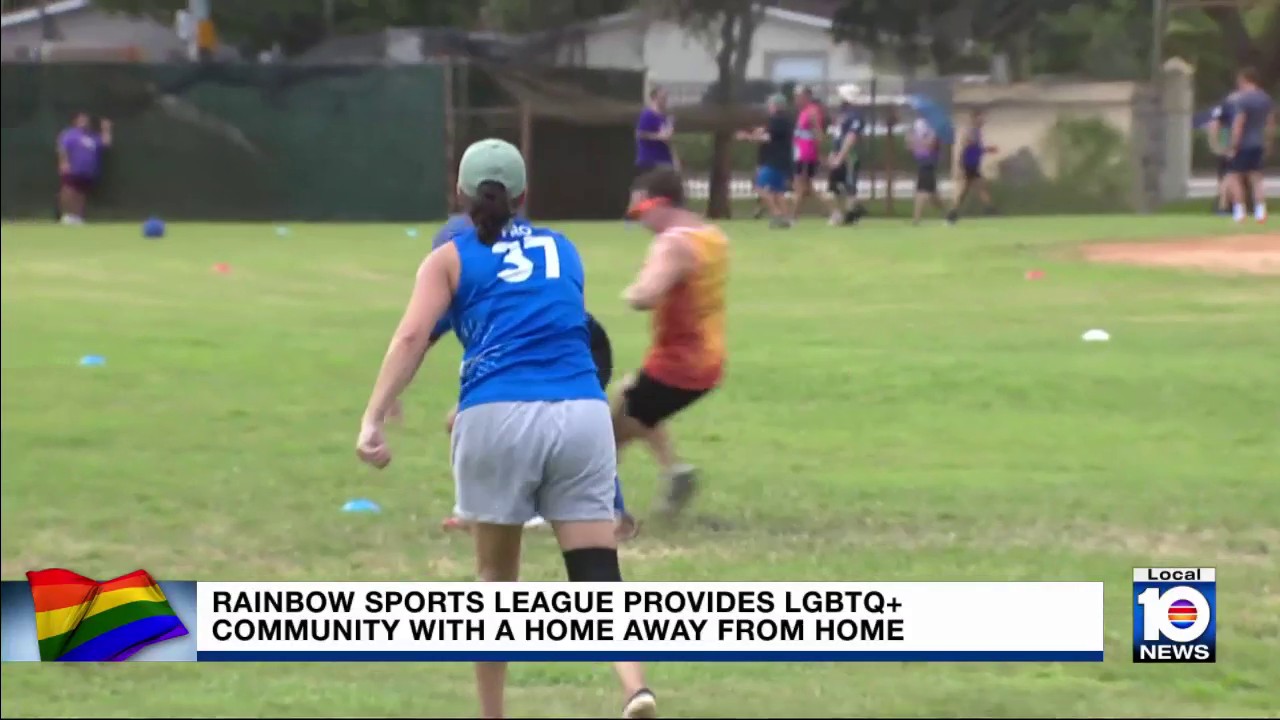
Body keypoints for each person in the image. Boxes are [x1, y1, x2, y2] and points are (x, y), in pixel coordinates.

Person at [356, 138, 656, 720]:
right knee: (597, 569)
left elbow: (412, 336)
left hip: (496, 414)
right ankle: (633, 688)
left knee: (495, 583)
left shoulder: (448, 257)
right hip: (581, 411)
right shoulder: (564, 250)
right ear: (524, 195)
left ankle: (493, 714)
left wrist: (375, 414)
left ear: (460, 192)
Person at [424, 215, 639, 541]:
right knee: (462, 422)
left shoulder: (490, 280)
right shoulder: (467, 288)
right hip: (543, 359)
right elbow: (423, 336)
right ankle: (479, 512)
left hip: (579, 352)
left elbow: (416, 336)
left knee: (579, 431)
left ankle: (614, 512)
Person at [615, 167, 729, 519]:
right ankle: (674, 469)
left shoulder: (672, 244)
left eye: (640, 211)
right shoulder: (712, 236)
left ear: (660, 204)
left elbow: (646, 296)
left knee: (605, 434)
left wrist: (632, 292)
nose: (639, 221)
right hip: (708, 360)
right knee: (627, 393)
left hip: (677, 366)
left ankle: (594, 510)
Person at [1223, 66, 1273, 223]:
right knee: (1256, 178)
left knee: (1234, 176)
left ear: (1245, 80)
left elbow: (1239, 123)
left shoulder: (1242, 99)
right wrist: (1268, 141)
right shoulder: (1265, 99)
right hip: (1258, 143)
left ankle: (1239, 211)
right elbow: (1270, 123)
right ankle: (1260, 211)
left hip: (1243, 144)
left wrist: (1233, 145)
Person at [735, 93, 793, 229]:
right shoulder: (783, 120)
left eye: (770, 104)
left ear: (776, 106)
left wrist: (746, 137)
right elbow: (764, 132)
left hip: (775, 160)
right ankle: (786, 220)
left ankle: (777, 214)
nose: (768, 107)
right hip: (782, 160)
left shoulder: (777, 120)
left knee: (759, 186)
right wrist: (752, 133)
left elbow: (767, 137)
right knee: (778, 192)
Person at [56, 112, 111, 225]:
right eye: (81, 120)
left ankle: (77, 217)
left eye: (86, 120)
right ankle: (66, 215)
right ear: (75, 121)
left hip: (87, 171)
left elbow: (106, 144)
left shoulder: (93, 136)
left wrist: (106, 129)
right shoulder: (69, 134)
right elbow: (62, 148)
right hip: (72, 168)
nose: (84, 122)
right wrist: (64, 162)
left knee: (81, 194)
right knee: (68, 190)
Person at [825, 84, 868, 226]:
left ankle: (851, 214)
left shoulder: (855, 116)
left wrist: (841, 156)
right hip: (839, 152)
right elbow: (838, 136)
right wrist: (833, 152)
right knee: (834, 187)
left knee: (849, 186)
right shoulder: (843, 114)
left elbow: (851, 137)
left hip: (849, 155)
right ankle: (840, 214)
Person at [947, 109, 997, 223]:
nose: (983, 120)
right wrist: (987, 149)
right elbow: (969, 147)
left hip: (973, 164)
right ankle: (953, 213)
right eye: (981, 117)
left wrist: (985, 150)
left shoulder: (976, 131)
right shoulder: (971, 131)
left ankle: (989, 209)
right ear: (974, 118)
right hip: (969, 164)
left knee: (978, 187)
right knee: (968, 189)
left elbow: (974, 148)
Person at [790, 85, 824, 220]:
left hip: (807, 154)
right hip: (799, 153)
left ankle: (792, 217)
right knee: (806, 187)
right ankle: (833, 212)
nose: (796, 100)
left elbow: (818, 133)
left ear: (807, 97)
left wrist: (817, 152)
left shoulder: (812, 112)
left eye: (799, 97)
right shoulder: (803, 112)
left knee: (800, 186)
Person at [909, 119, 948, 225]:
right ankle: (948, 216)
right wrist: (914, 139)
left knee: (921, 191)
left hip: (928, 164)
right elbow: (911, 146)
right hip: (922, 163)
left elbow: (931, 145)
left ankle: (916, 219)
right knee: (933, 196)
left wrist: (920, 140)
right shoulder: (919, 129)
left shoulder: (934, 133)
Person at [635, 86, 679, 177]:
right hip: (650, 160)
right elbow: (640, 134)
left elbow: (668, 140)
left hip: (665, 160)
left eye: (666, 97)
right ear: (655, 98)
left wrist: (675, 160)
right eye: (663, 97)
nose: (665, 100)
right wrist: (659, 136)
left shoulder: (665, 117)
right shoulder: (647, 114)